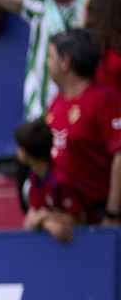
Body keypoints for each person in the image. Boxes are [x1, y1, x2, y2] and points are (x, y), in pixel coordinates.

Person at [44, 29, 121, 227]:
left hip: (100, 216)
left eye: (51, 57)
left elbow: (119, 156)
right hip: (67, 218)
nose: (48, 63)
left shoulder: (105, 99)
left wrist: (112, 214)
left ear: (65, 62)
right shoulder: (56, 103)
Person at [14, 119, 76, 241]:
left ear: (25, 152)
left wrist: (45, 216)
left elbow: (80, 220)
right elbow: (31, 218)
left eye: (18, 146)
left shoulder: (60, 180)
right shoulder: (34, 176)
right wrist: (46, 222)